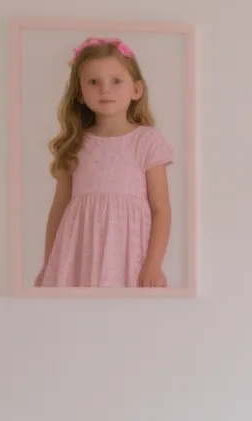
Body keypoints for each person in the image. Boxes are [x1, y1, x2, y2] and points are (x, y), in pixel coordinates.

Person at [35, 37, 173, 288]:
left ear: (136, 89)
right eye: (93, 82)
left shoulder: (147, 141)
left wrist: (153, 264)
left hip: (129, 257)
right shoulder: (75, 143)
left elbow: (161, 210)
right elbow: (58, 209)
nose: (104, 89)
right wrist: (49, 265)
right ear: (79, 92)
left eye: (116, 81)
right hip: (78, 257)